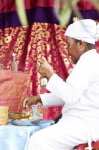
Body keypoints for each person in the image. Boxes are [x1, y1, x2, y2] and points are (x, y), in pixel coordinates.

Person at [22, 19, 99, 150]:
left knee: (37, 141)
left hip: (84, 124)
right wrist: (39, 98)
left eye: (68, 45)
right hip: (80, 122)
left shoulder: (88, 63)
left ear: (80, 44)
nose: (67, 51)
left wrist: (50, 74)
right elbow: (70, 92)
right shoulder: (89, 60)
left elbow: (70, 96)